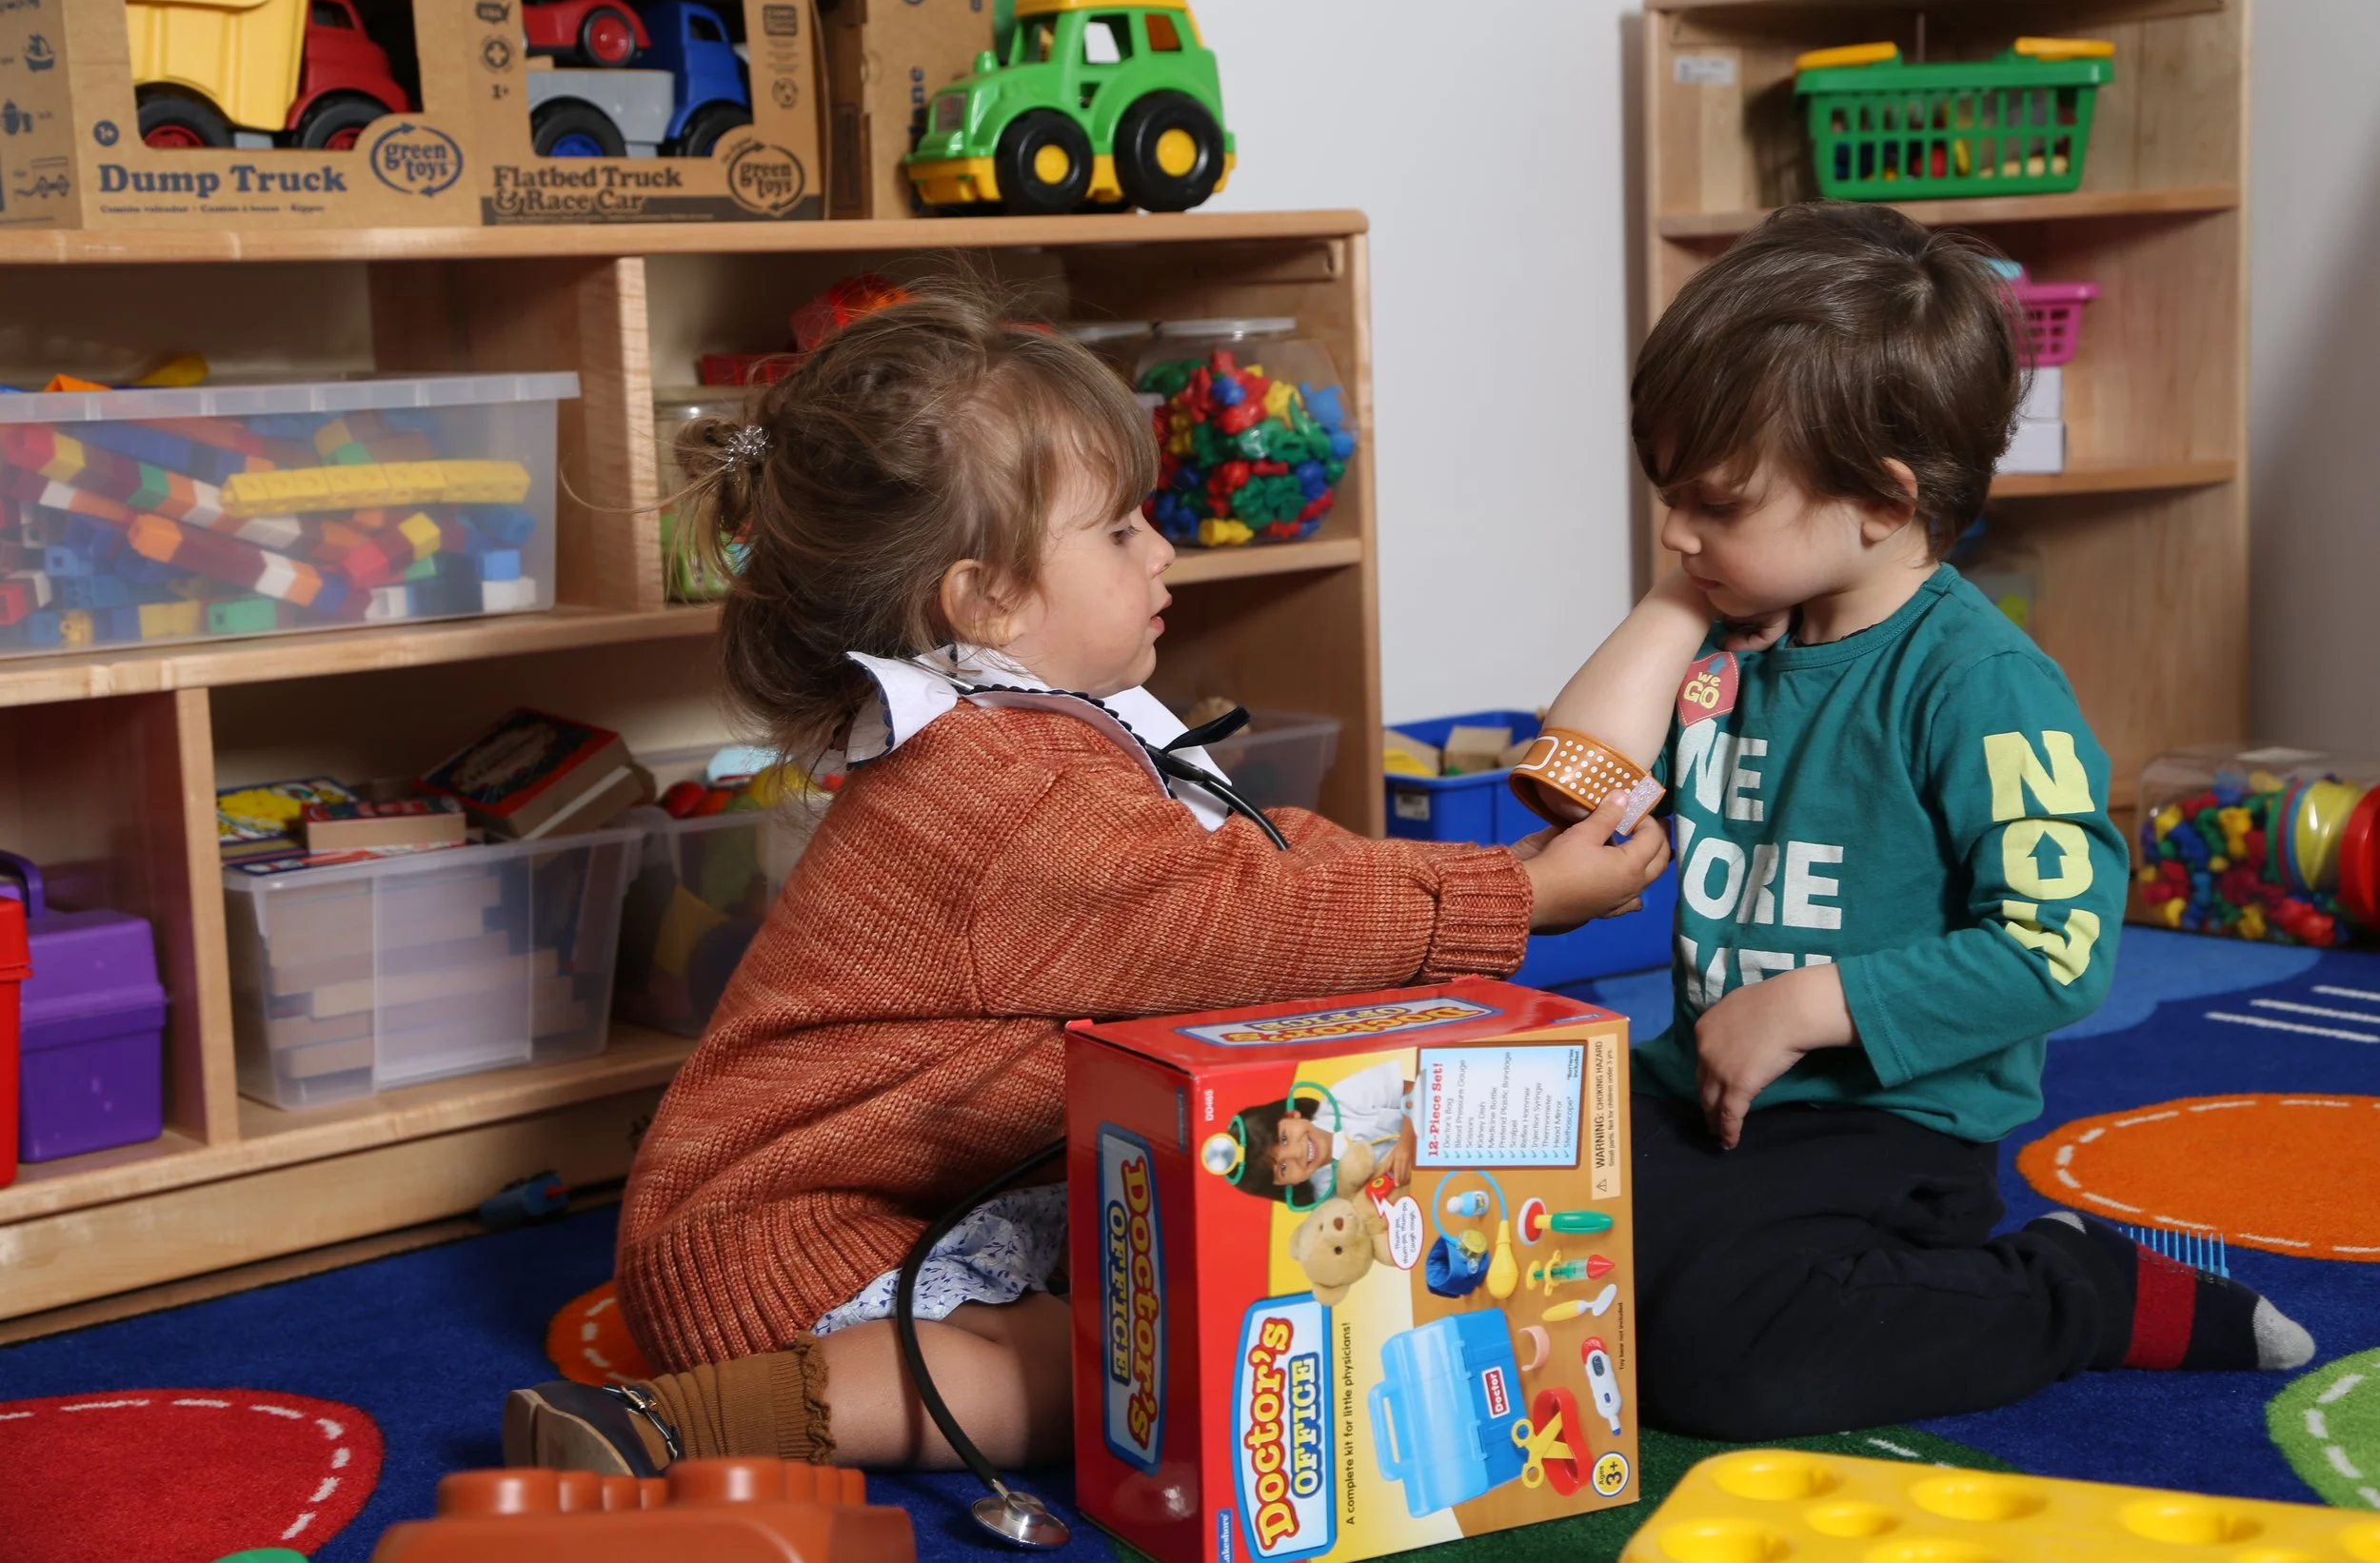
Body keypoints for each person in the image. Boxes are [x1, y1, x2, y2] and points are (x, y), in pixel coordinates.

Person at [500, 280, 1672, 1477]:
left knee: (1172, 1294)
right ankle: (675, 1424)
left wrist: (1487, 871)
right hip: (779, 1235)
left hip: (928, 1185)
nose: (1162, 549)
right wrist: (1509, 904)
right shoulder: (1004, 788)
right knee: (1123, 1370)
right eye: (1119, 531)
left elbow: (1246, 852)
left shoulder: (1039, 725)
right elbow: (1237, 918)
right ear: (986, 598)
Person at [1530, 201, 2314, 1441]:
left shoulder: (1980, 683)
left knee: (1717, 1362)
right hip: (1694, 1093)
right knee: (1502, 1245)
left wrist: (1805, 1003)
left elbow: (2057, 945)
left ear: (1883, 502)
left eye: (1715, 502)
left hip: (1881, 1127)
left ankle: (2076, 1286)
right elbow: (1569, 782)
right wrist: (1680, 596)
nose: (1676, 532)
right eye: (1667, 497)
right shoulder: (1726, 635)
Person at [1222, 1057, 1418, 1205]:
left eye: (1284, 1138)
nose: (1297, 1153)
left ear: (1291, 1115)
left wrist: (1407, 1143)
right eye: (1283, 1168)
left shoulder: (1343, 1098)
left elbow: (1414, 1090)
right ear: (1284, 1185)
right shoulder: (1325, 1196)